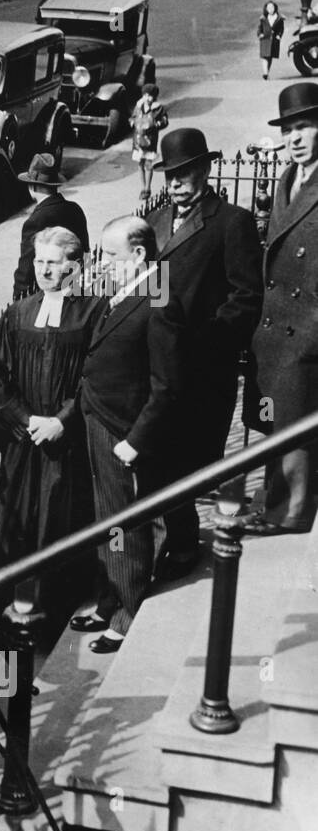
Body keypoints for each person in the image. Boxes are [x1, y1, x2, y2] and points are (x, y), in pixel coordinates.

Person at [145, 127, 263, 576]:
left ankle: (183, 545)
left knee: (187, 459)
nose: (175, 184)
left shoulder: (231, 222)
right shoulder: (156, 223)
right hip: (158, 363)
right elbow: (154, 291)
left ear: (206, 169)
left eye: (185, 173)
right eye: (169, 175)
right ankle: (165, 540)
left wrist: (203, 341)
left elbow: (246, 297)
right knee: (156, 456)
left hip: (201, 369)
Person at [0, 226, 102, 621]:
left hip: (66, 445)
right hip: (24, 442)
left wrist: (63, 421)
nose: (44, 271)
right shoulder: (18, 314)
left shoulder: (94, 312)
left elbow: (98, 378)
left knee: (62, 523)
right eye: (39, 261)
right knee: (14, 523)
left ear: (75, 264)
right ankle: (14, 603)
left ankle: (55, 610)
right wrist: (25, 419)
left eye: (53, 262)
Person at [75, 216, 182, 653]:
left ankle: (126, 612)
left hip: (122, 430)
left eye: (112, 257)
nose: (104, 265)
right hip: (100, 417)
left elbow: (167, 384)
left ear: (139, 255)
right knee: (106, 519)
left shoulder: (160, 301)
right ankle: (108, 599)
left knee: (125, 524)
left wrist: (136, 440)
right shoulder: (133, 290)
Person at [249, 83, 318, 533]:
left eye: (304, 127)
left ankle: (290, 512)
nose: (294, 138)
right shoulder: (288, 179)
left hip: (304, 331)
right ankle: (275, 497)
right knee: (275, 420)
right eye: (288, 129)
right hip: (274, 327)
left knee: (293, 425)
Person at [12, 154, 89, 301]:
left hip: (47, 290)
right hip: (74, 286)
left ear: (32, 186)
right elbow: (85, 252)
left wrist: (18, 297)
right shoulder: (75, 209)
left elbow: (26, 268)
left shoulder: (35, 220)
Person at [130, 84, 167, 201]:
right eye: (146, 95)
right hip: (138, 139)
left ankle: (147, 188)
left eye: (150, 96)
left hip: (150, 140)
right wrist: (131, 121)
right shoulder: (139, 105)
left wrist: (156, 125)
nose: (148, 98)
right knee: (140, 164)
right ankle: (142, 186)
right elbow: (133, 116)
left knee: (148, 164)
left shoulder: (158, 108)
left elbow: (164, 121)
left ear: (154, 97)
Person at [260, 1, 285, 80]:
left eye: (272, 7)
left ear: (275, 8)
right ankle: (265, 73)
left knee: (270, 57)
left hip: (274, 39)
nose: (270, 9)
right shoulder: (263, 18)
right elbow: (260, 27)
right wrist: (260, 34)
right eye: (269, 8)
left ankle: (267, 72)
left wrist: (279, 36)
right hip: (265, 39)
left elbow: (281, 29)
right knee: (264, 56)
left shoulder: (279, 18)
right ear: (266, 9)